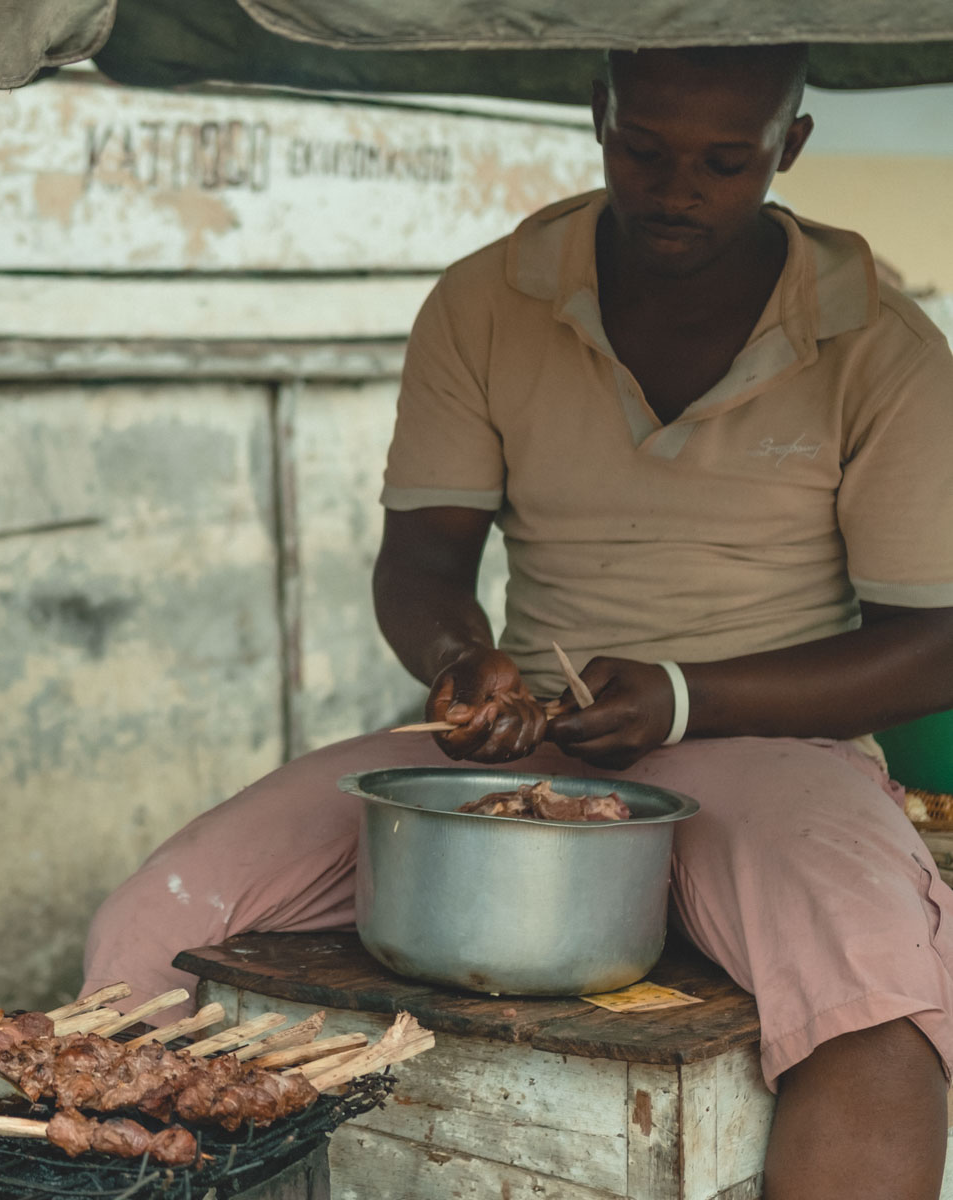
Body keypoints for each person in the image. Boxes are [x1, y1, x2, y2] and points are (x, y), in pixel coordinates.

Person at [82, 44, 953, 1199]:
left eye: (723, 161)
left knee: (876, 1010)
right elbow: (423, 562)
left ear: (788, 148)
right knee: (156, 921)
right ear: (599, 114)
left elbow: (931, 645)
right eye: (643, 148)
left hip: (774, 751)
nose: (676, 185)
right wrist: (460, 666)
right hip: (532, 737)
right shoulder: (489, 301)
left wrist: (690, 696)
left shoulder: (882, 349)